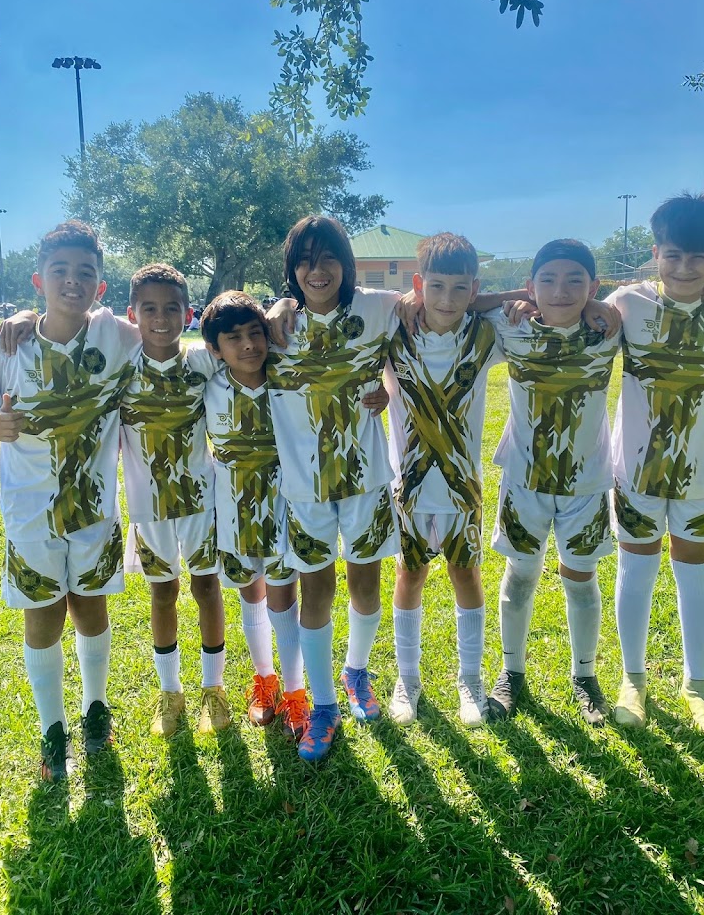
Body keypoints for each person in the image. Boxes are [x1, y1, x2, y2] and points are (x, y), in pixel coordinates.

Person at [0, 220, 141, 780]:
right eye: (60, 271)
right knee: (43, 615)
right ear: (38, 280)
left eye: (85, 272)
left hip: (93, 511)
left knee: (91, 608)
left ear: (101, 285)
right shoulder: (9, 345)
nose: (72, 281)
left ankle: (96, 708)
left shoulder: (118, 338)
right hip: (30, 512)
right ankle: (52, 729)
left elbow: (168, 330)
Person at [609, 193, 704, 738]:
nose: (686, 268)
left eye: (699, 257)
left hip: (703, 470)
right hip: (637, 471)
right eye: (673, 255)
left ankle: (697, 686)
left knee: (696, 566)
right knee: (636, 567)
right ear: (655, 254)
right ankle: (633, 679)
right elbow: (569, 311)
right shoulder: (627, 302)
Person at [265, 215, 399, 761]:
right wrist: (278, 304)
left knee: (366, 584)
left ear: (346, 263)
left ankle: (356, 671)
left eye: (327, 259)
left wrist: (525, 298)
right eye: (304, 261)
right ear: (291, 270)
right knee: (316, 590)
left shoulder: (380, 308)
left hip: (366, 479)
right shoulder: (275, 327)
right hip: (304, 487)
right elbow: (216, 335)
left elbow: (450, 299)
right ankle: (323, 705)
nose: (316, 271)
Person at [488, 239, 619, 726]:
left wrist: (605, 307)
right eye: (548, 280)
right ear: (530, 285)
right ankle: (512, 673)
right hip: (525, 478)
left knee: (580, 576)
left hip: (587, 482)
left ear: (594, 286)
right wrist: (513, 298)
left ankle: (585, 676)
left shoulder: (609, 330)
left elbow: (654, 296)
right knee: (521, 573)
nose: (560, 291)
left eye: (574, 281)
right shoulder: (511, 326)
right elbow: (459, 301)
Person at [385, 233, 506, 727]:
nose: (447, 299)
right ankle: (407, 679)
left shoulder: (487, 334)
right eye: (436, 286)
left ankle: (470, 679)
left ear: (475, 289)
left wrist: (514, 298)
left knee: (465, 575)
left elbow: (544, 304)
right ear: (418, 285)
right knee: (409, 575)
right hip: (408, 487)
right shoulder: (392, 331)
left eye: (460, 288)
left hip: (462, 488)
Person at [121, 264, 228, 738]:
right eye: (149, 309)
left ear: (188, 314)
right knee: (163, 594)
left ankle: (213, 689)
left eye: (171, 309)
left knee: (207, 589)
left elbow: (253, 345)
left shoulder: (203, 362)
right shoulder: (120, 368)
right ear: (133, 315)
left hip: (201, 503)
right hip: (149, 509)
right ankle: (170, 692)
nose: (160, 318)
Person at [200, 290, 310, 742]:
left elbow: (301, 313)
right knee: (251, 595)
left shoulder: (287, 374)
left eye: (255, 333)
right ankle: (264, 680)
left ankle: (296, 691)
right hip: (233, 511)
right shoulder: (207, 382)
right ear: (215, 348)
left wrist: (285, 302)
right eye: (234, 338)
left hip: (286, 506)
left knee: (284, 599)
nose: (248, 345)